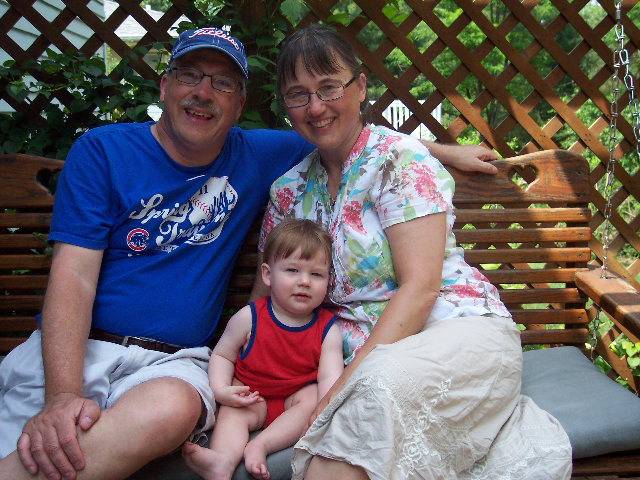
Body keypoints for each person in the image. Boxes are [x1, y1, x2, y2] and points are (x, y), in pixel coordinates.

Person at [0, 25, 499, 480]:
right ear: (164, 86)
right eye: (189, 75)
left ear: (239, 105)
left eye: (222, 83)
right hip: (79, 349)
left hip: (173, 366)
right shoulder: (106, 151)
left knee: (171, 410)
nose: (203, 92)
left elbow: (357, 138)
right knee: (36, 438)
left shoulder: (255, 154)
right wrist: (62, 394)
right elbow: (73, 276)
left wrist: (441, 151)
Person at [251, 24, 573, 480]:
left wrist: (340, 390)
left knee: (367, 410)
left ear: (361, 86)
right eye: (298, 95)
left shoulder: (398, 161)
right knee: (332, 461)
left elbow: (421, 289)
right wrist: (237, 372)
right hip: (358, 362)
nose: (316, 107)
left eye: (329, 87)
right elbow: (263, 301)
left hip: (454, 330)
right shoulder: (290, 190)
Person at [182, 219, 343, 480]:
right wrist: (221, 390)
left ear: (328, 281)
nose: (304, 281)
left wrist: (322, 411)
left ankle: (261, 445)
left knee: (314, 397)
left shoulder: (328, 329)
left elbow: (330, 377)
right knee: (233, 412)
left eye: (316, 274)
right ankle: (222, 460)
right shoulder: (249, 317)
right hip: (251, 396)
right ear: (267, 275)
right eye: (292, 270)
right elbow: (222, 355)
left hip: (293, 401)